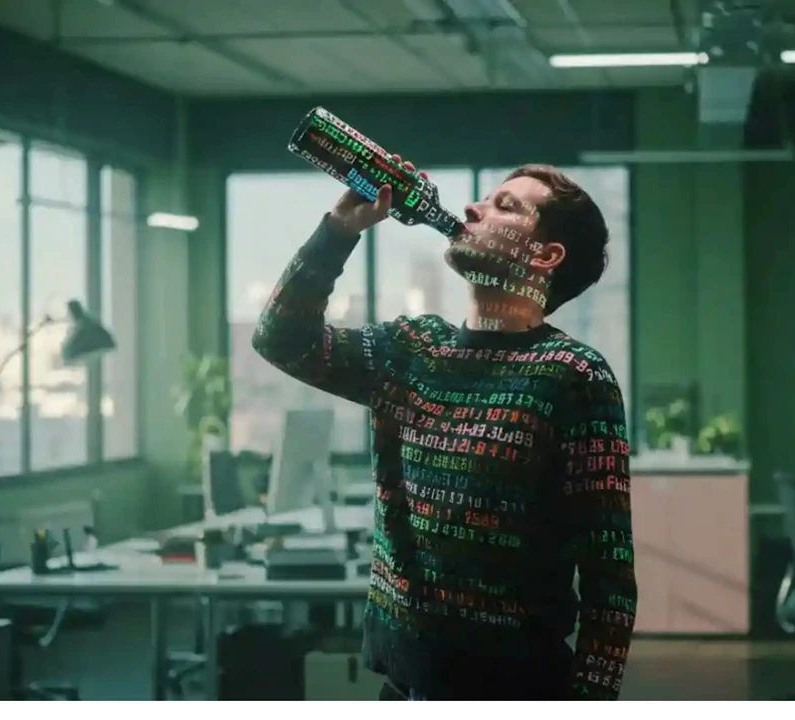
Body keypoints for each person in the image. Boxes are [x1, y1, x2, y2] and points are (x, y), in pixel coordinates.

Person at [252, 155, 636, 700]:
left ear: (545, 255)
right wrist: (338, 231)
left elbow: (609, 578)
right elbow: (280, 339)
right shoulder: (410, 349)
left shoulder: (573, 375)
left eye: (504, 206)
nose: (472, 209)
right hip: (403, 686)